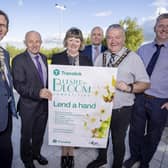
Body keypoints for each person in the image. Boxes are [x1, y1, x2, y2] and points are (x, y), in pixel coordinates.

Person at [90, 24, 150, 168]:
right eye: (110, 37)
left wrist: (128, 87)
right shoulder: (101, 57)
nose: (113, 41)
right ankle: (102, 159)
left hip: (121, 110)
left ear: (123, 39)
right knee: (101, 137)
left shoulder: (133, 58)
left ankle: (116, 165)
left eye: (117, 37)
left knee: (118, 140)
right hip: (102, 107)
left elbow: (146, 83)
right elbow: (93, 79)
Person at [123, 13, 168, 168]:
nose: (164, 29)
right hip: (140, 98)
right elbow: (133, 71)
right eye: (161, 25)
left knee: (153, 135)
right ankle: (134, 156)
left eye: (167, 26)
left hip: (160, 102)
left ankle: (145, 161)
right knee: (135, 131)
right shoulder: (143, 49)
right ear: (155, 27)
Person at [51, 27, 92, 168]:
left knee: (75, 130)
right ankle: (64, 156)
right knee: (64, 130)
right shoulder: (57, 58)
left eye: (77, 40)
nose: (74, 43)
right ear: (66, 41)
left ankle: (71, 156)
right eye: (71, 40)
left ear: (81, 43)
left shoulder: (87, 60)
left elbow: (91, 82)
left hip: (80, 103)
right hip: (62, 102)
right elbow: (52, 81)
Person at [12, 31, 52, 168]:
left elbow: (45, 81)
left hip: (44, 106)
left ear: (41, 42)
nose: (34, 44)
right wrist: (38, 92)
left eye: (37, 41)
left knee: (39, 134)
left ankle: (36, 154)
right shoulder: (18, 60)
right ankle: (27, 159)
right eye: (31, 41)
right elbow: (18, 85)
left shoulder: (44, 58)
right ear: (25, 43)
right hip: (28, 106)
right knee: (26, 136)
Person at [0, 10, 17, 168]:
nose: (0, 28)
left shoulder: (4, 53)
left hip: (6, 112)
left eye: (3, 25)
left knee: (6, 153)